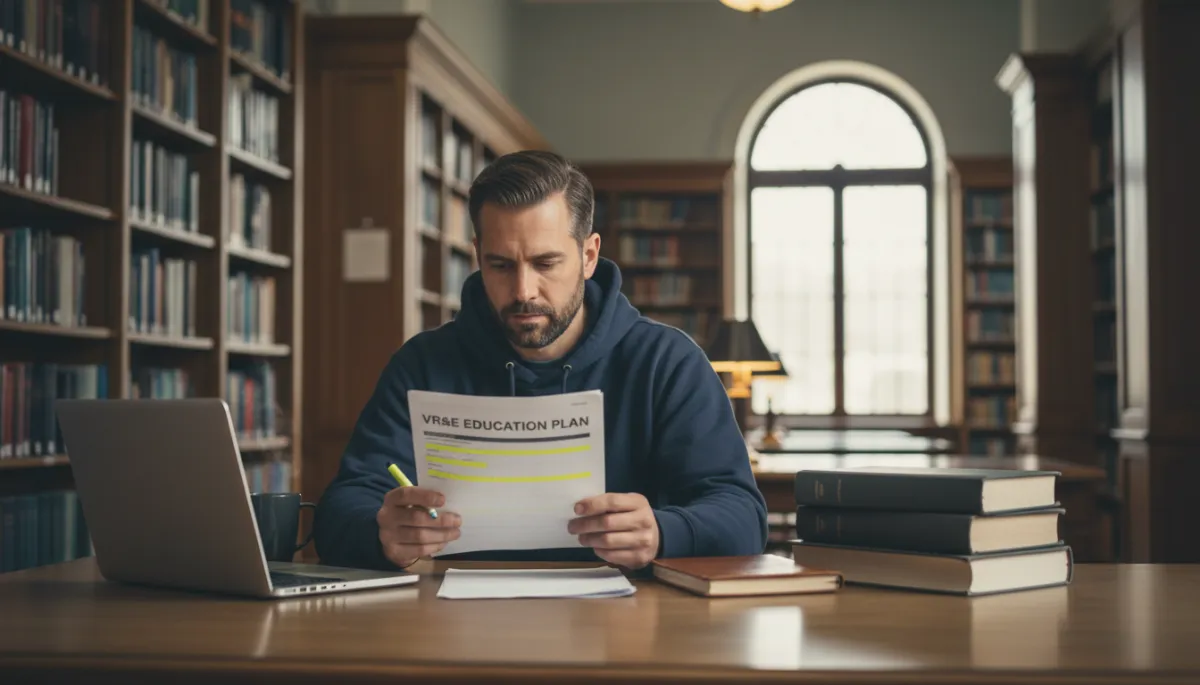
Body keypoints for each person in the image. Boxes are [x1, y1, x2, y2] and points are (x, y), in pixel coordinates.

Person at [312, 150, 768, 571]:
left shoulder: (668, 363)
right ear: (476, 257)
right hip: (452, 624)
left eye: (546, 263)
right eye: (501, 265)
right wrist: (382, 532)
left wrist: (663, 533)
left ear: (589, 256)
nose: (523, 291)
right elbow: (340, 510)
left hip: (626, 628)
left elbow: (744, 519)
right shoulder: (423, 365)